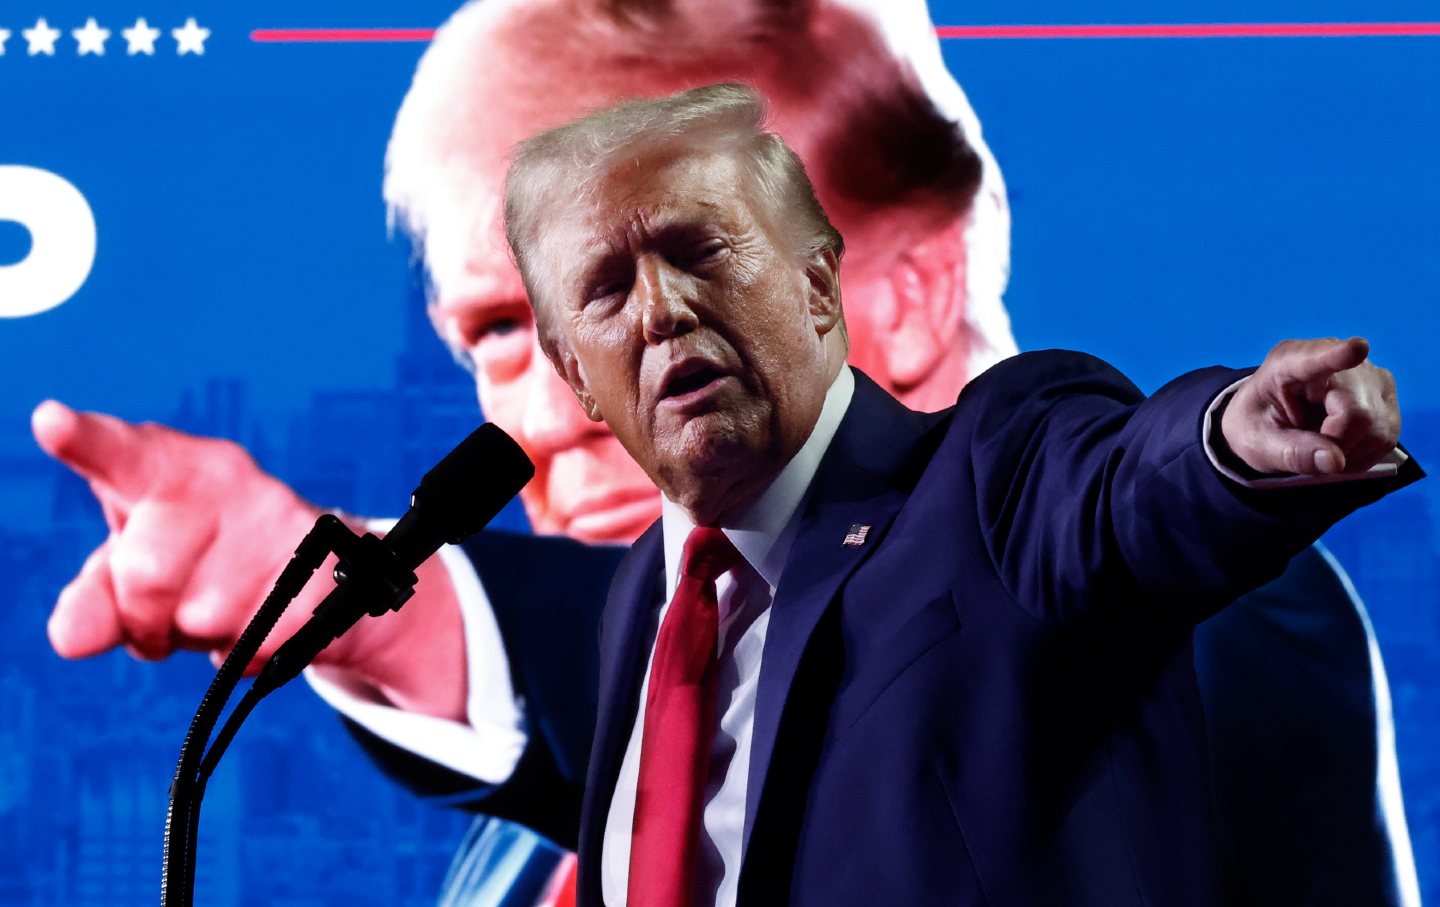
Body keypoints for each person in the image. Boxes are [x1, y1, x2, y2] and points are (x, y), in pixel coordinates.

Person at [29, 1, 1420, 904]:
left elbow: (1114, 511)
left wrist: (1239, 444)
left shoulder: (1142, 591)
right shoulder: (607, 712)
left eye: (700, 257)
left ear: (885, 285)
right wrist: (365, 608)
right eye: (523, 326)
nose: (579, 393)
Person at [485, 82, 1418, 905]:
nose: (660, 308)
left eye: (698, 251)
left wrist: (1227, 443)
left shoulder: (988, 472)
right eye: (607, 290)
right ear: (575, 377)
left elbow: (1122, 488)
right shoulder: (646, 602)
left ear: (818, 287)